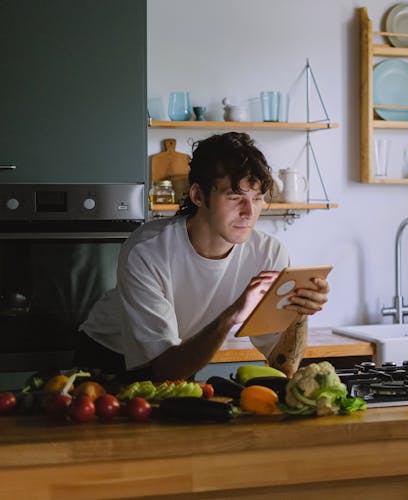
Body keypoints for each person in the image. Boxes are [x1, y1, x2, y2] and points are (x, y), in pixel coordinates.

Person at [75, 132, 329, 381]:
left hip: (181, 357)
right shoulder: (148, 250)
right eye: (234, 197)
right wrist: (232, 316)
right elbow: (163, 368)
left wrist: (299, 309)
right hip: (108, 360)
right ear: (198, 195)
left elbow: (281, 364)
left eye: (258, 198)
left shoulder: (269, 253)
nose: (249, 212)